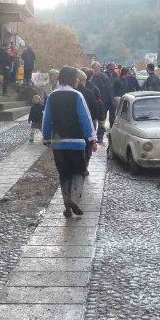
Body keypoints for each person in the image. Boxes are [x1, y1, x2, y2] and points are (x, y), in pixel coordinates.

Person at [42, 66, 97, 217]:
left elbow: (46, 119)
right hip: (77, 142)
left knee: (64, 175)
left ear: (59, 79)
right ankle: (73, 199)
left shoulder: (52, 96)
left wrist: (46, 138)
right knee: (79, 172)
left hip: (58, 143)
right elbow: (85, 119)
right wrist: (92, 138)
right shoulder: (77, 95)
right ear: (73, 80)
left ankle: (67, 206)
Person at [90, 61, 112, 142]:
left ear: (99, 68)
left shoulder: (104, 77)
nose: (96, 70)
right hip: (92, 101)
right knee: (92, 119)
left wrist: (109, 100)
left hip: (103, 101)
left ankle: (100, 136)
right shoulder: (90, 78)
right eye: (94, 68)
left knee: (101, 119)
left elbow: (109, 89)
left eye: (97, 68)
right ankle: (93, 136)